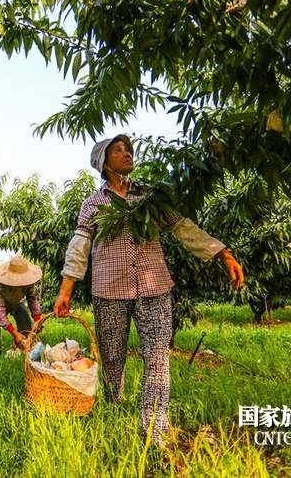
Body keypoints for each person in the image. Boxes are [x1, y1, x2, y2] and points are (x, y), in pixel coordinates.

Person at [54, 135, 244, 444]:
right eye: (118, 150)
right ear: (104, 162)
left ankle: (155, 430)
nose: (127, 153)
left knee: (157, 359)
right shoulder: (92, 204)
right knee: (112, 360)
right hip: (109, 291)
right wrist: (65, 292)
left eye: (128, 149)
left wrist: (222, 253)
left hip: (153, 288)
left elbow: (181, 226)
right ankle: (114, 410)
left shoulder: (149, 197)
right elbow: (78, 248)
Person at [0, 256, 43, 353]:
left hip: (17, 300)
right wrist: (14, 333)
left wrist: (37, 320)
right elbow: (0, 312)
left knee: (26, 325)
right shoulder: (0, 284)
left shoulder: (29, 281)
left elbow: (32, 299)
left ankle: (25, 349)